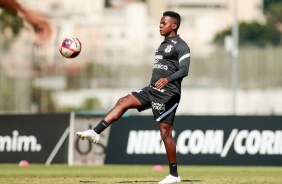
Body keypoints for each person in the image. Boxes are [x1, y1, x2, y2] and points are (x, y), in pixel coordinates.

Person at [77, 11, 190, 184]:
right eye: (159, 23)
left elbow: (184, 70)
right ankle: (95, 132)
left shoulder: (181, 46)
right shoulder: (162, 45)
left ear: (174, 26)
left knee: (165, 133)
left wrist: (168, 79)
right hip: (151, 90)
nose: (160, 25)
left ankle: (174, 175)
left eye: (163, 23)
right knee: (124, 101)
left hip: (168, 95)